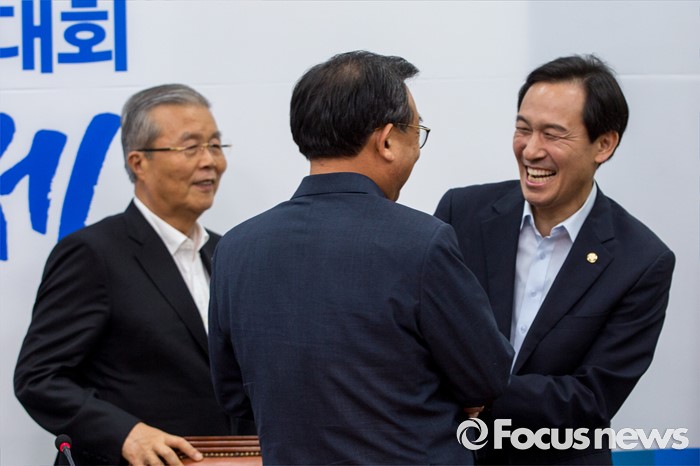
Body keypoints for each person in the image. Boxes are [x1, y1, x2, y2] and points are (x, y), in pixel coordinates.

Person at [208, 50, 514, 465]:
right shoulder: (422, 242)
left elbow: (234, 396)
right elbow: (487, 377)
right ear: (386, 140)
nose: (417, 148)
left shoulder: (236, 248)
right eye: (416, 131)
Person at [435, 55, 675, 465]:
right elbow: (422, 337)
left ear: (604, 144)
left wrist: (479, 392)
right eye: (523, 129)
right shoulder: (462, 213)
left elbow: (592, 400)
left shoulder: (641, 260)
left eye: (553, 135)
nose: (531, 150)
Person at [14, 84, 244, 466]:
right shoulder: (94, 253)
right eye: (191, 147)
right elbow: (39, 378)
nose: (210, 161)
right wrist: (126, 433)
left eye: (216, 146)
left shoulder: (227, 252)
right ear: (139, 163)